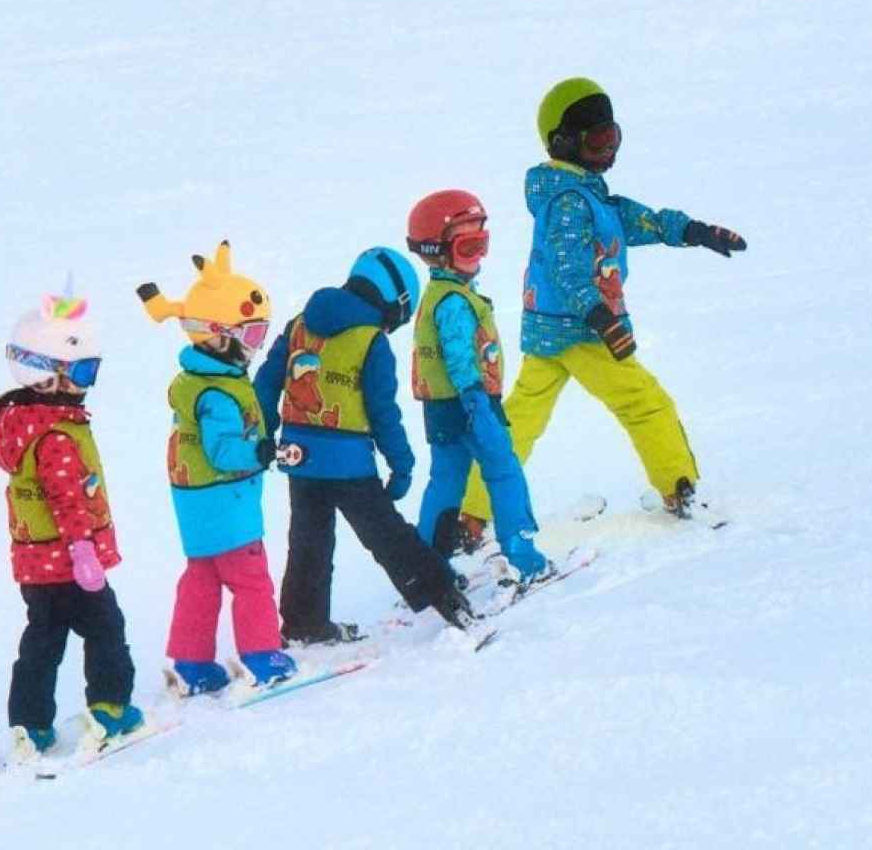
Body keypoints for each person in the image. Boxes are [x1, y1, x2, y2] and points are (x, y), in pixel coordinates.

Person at [452, 78, 747, 549]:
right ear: (564, 142)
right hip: (583, 332)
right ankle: (681, 488)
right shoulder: (569, 201)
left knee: (521, 420)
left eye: (613, 137)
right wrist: (600, 318)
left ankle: (471, 514)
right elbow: (568, 267)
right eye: (596, 139)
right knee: (644, 403)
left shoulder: (583, 192)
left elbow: (633, 218)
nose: (608, 148)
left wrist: (692, 231)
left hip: (548, 329)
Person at [252, 247, 476, 640]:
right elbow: (382, 412)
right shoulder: (372, 342)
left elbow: (267, 384)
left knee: (308, 541)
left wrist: (263, 435)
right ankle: (443, 592)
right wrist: (401, 463)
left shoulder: (299, 325)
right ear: (394, 303)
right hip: (349, 463)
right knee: (385, 534)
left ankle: (304, 622)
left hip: (299, 458)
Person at [137, 241, 296, 692]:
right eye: (248, 336)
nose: (255, 348)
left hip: (195, 504)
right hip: (226, 503)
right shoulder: (219, 393)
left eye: (260, 335)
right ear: (216, 334)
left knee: (201, 579)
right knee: (251, 581)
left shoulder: (198, 382)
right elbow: (224, 452)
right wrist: (262, 453)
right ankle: (264, 657)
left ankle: (191, 662)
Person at [0, 290, 142, 761]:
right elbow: (68, 498)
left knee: (42, 639)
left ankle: (30, 724)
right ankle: (111, 710)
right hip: (72, 564)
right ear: (44, 376)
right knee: (106, 630)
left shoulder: (22, 425)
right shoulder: (57, 435)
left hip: (34, 565)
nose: (86, 384)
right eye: (79, 372)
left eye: (90, 371)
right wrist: (82, 551)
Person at [406, 189, 551, 584]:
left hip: (442, 408)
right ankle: (524, 556)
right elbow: (459, 356)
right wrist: (475, 401)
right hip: (471, 403)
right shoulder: (452, 301)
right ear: (436, 250)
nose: (479, 256)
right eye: (468, 246)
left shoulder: (440, 294)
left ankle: (427, 566)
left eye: (482, 243)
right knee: (504, 471)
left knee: (447, 480)